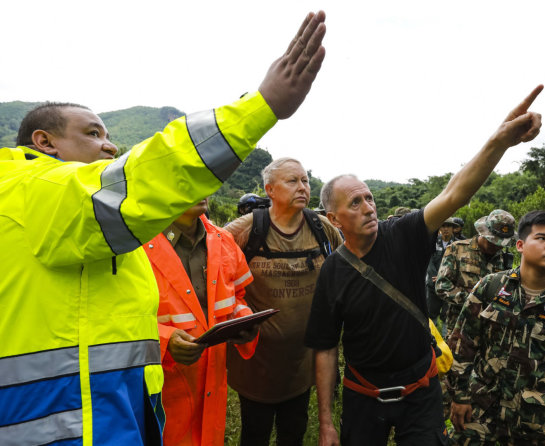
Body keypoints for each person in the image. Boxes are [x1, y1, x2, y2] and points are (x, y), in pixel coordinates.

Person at [0, 11, 326, 445]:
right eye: (93, 133)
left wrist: (240, 320)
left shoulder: (109, 234)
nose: (110, 145)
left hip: (123, 418)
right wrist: (260, 106)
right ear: (44, 142)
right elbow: (147, 180)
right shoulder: (31, 190)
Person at [305, 85, 544, 446]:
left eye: (369, 197)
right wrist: (326, 423)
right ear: (334, 219)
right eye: (355, 202)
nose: (368, 207)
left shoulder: (402, 234)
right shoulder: (333, 272)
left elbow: (455, 193)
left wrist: (499, 141)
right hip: (363, 397)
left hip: (421, 393)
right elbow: (324, 348)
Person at [448, 210, 545, 445]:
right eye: (542, 238)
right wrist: (459, 396)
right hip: (479, 418)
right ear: (520, 245)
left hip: (536, 427)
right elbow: (463, 343)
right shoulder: (491, 286)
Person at [225, 157, 342, 446]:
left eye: (305, 181)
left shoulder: (322, 228)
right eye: (293, 181)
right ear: (270, 190)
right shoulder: (245, 229)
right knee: (255, 433)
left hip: (301, 364)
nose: (303, 187)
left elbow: (347, 268)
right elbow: (211, 267)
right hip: (256, 364)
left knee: (294, 432)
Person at [143, 199, 259, 445]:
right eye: (187, 179)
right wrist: (165, 341)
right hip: (161, 391)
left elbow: (237, 297)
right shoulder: (135, 247)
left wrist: (242, 318)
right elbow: (117, 315)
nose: (200, 188)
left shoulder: (224, 241)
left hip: (212, 385)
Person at [435, 210, 516, 338]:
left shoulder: (504, 259)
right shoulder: (457, 249)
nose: (497, 247)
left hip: (490, 331)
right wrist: (473, 300)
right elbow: (441, 286)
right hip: (459, 328)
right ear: (484, 233)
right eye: (493, 242)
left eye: (501, 244)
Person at [426, 218, 460, 324]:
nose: (445, 229)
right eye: (443, 226)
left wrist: (442, 277)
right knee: (431, 313)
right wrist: (437, 277)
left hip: (450, 285)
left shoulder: (458, 244)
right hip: (432, 283)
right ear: (439, 228)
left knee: (448, 314)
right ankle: (431, 338)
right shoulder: (432, 241)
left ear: (452, 228)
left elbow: (459, 265)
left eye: (448, 226)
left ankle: (446, 339)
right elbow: (429, 261)